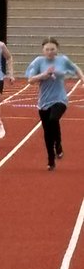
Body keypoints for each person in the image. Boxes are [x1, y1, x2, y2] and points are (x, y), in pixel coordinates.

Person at [25, 37, 83, 170]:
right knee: (47, 131)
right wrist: (43, 75)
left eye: (52, 49)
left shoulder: (63, 60)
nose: (50, 52)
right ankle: (51, 159)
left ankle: (58, 144)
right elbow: (30, 80)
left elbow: (75, 68)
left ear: (57, 49)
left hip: (60, 99)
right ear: (43, 50)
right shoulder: (38, 62)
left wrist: (82, 77)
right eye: (47, 49)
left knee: (53, 119)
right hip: (44, 101)